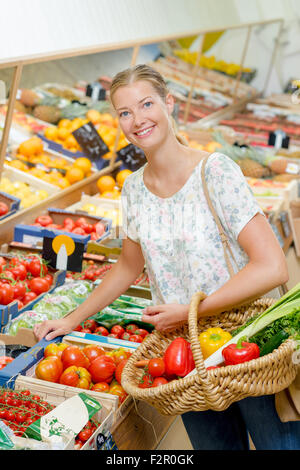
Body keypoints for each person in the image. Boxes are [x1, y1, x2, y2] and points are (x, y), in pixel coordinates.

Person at [34, 64, 299, 450]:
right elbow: (128, 266)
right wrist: (71, 318)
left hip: (247, 342)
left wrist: (193, 310)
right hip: (182, 356)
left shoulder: (216, 172)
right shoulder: (133, 190)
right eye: (125, 112)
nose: (137, 120)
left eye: (146, 104)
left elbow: (272, 266)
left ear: (169, 103)